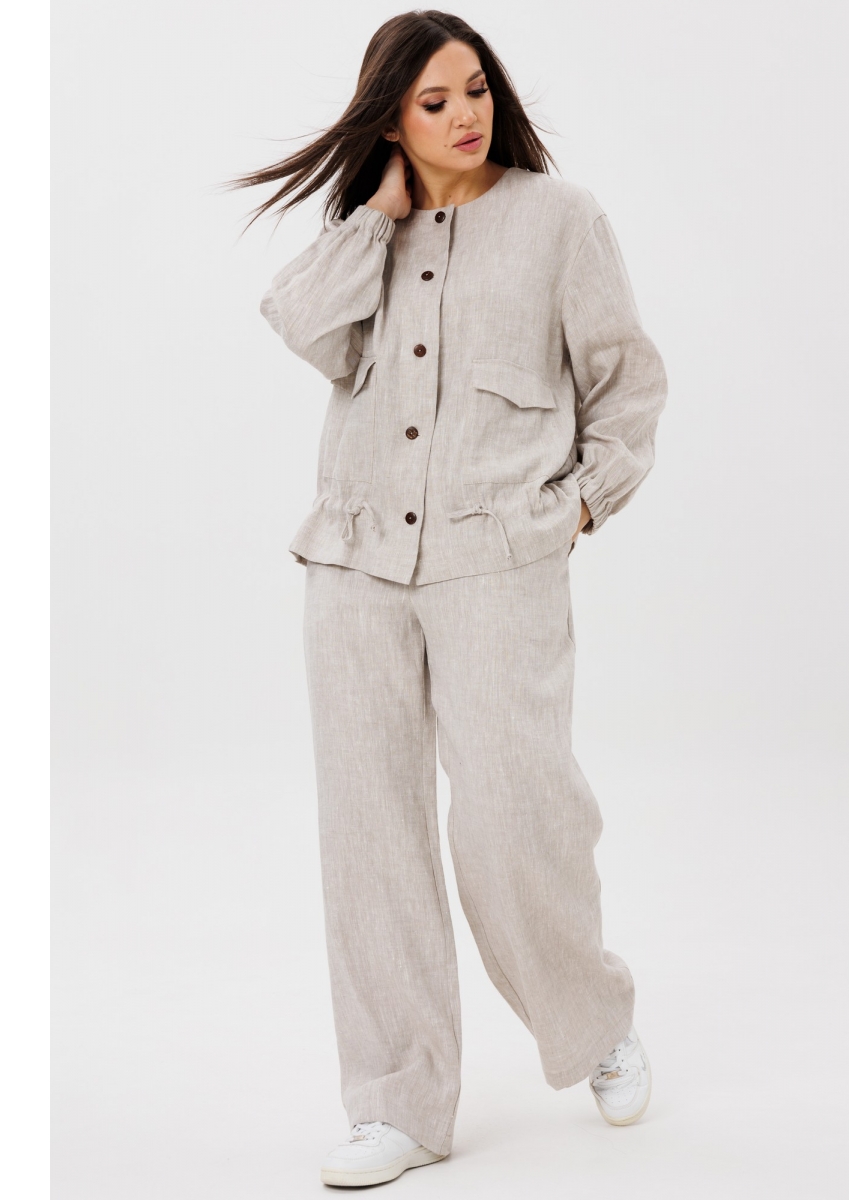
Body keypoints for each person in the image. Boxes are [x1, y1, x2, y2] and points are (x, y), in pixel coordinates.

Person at [228, 9, 667, 1189]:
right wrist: (376, 211)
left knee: (519, 816)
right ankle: (399, 1102)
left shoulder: (560, 220)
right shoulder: (364, 234)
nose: (466, 114)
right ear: (390, 119)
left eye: (476, 88)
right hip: (355, 565)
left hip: (499, 561)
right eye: (433, 101)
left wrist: (580, 507)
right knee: (369, 837)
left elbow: (628, 385)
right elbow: (300, 326)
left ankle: (595, 1020)